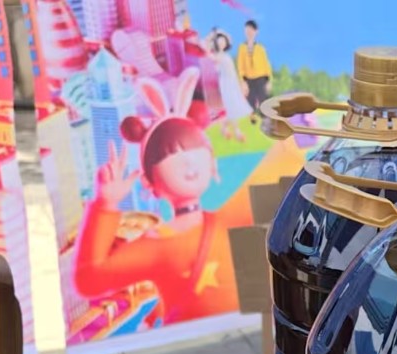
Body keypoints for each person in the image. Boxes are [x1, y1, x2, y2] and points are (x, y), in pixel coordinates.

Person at [74, 69, 246, 325]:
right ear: (149, 181)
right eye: (171, 154)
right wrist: (105, 203)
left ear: (212, 160)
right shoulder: (156, 246)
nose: (187, 161)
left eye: (194, 148)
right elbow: (90, 278)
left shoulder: (227, 217)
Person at [209, 30, 251, 141]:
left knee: (232, 107)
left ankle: (224, 129)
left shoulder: (226, 55)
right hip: (225, 84)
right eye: (219, 42)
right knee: (230, 107)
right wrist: (213, 36)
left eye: (224, 41)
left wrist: (239, 84)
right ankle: (237, 132)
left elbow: (232, 71)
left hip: (232, 83)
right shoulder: (216, 56)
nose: (222, 43)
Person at [237, 19, 272, 123]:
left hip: (261, 77)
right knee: (250, 100)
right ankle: (253, 118)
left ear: (256, 31)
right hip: (248, 78)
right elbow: (240, 65)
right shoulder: (242, 48)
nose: (249, 32)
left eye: (251, 30)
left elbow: (266, 65)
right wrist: (243, 81)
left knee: (263, 99)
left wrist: (269, 81)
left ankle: (265, 119)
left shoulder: (260, 48)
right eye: (247, 30)